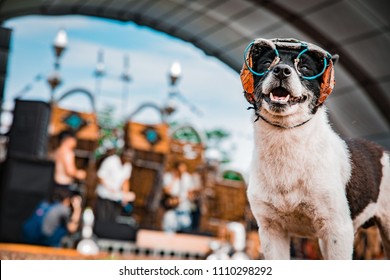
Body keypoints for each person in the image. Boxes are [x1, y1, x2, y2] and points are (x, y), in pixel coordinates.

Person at [95, 149, 136, 221]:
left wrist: (125, 195)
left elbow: (125, 181)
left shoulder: (128, 166)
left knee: (113, 219)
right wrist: (109, 188)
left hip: (116, 197)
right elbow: (100, 177)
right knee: (103, 219)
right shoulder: (111, 161)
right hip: (105, 195)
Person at [162, 162, 196, 233]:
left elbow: (190, 192)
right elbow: (166, 190)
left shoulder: (187, 177)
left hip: (184, 207)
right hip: (171, 206)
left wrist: (190, 199)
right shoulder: (168, 176)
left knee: (185, 226)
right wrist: (175, 178)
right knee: (169, 225)